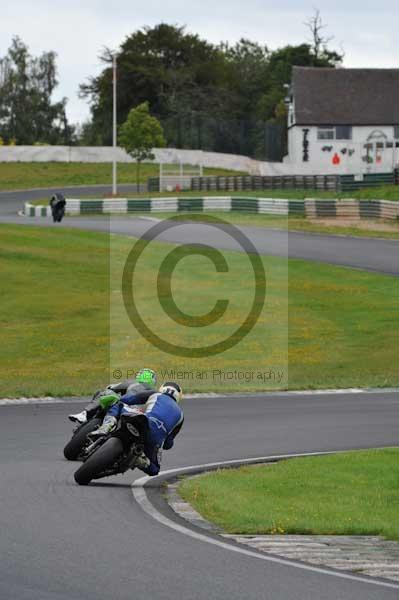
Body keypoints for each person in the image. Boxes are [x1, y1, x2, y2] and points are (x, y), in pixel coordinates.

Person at [90, 381, 184, 476]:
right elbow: (168, 444)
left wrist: (119, 398)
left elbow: (129, 399)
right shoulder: (181, 416)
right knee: (155, 470)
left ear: (162, 389)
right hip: (155, 439)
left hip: (144, 421)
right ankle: (140, 460)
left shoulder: (155, 394)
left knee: (118, 404)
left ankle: (107, 425)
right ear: (178, 396)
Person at [68, 368, 157, 425]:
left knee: (104, 392)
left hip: (121, 408)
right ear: (153, 380)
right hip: (140, 417)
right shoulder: (156, 394)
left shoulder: (133, 383)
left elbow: (111, 388)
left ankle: (86, 414)